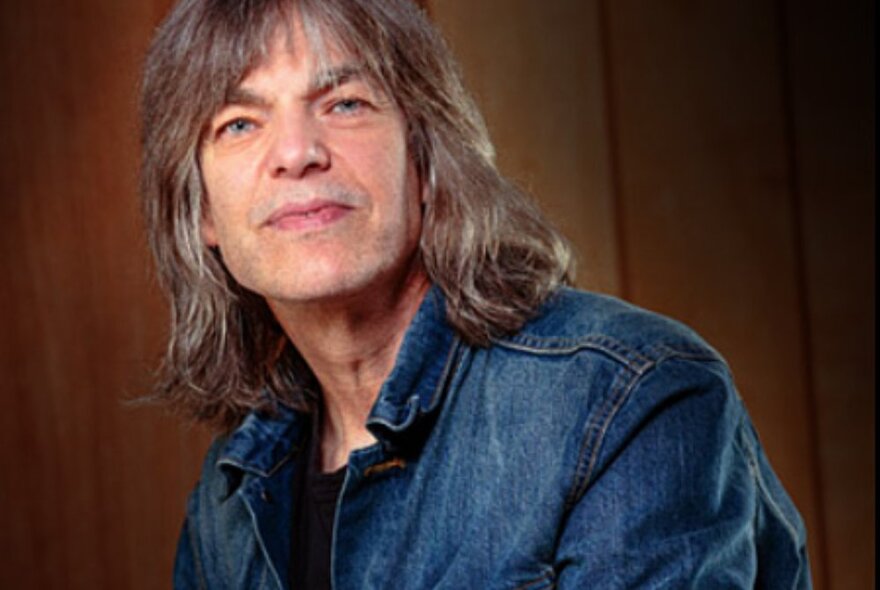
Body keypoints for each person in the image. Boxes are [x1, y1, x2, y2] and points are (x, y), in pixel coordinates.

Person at [139, 0, 812, 588]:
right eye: (238, 123)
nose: (296, 151)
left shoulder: (629, 399)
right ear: (202, 214)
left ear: (428, 163)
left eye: (345, 103)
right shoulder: (230, 498)